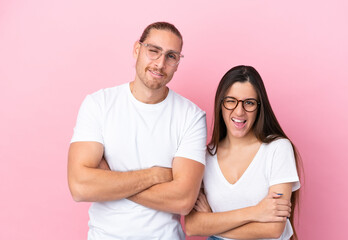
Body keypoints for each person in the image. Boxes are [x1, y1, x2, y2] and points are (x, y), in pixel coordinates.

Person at [67, 22, 206, 240]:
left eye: (171, 56)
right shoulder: (99, 104)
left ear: (178, 63)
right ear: (137, 49)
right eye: (153, 51)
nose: (160, 64)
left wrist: (109, 180)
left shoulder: (192, 116)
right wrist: (155, 175)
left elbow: (183, 201)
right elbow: (80, 187)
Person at [185, 65, 301, 240]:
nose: (239, 111)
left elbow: (274, 229)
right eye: (231, 100)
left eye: (249, 103)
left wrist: (211, 222)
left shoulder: (278, 149)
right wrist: (257, 212)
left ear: (259, 107)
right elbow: (192, 226)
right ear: (220, 104)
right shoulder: (205, 157)